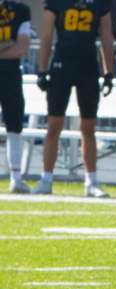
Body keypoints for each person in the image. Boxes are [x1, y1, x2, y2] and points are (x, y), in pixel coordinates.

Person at [36, 0, 115, 197]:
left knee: (88, 127)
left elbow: (107, 36)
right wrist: (42, 69)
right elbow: (46, 35)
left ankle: (91, 180)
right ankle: (46, 178)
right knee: (54, 124)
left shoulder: (99, 3)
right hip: (62, 64)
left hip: (87, 66)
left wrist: (109, 72)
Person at [0, 0, 32, 194]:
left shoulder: (20, 10)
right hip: (9, 69)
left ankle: (16, 177)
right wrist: (6, 45)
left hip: (10, 75)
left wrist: (11, 46)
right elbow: (13, 45)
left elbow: (21, 47)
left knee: (14, 126)